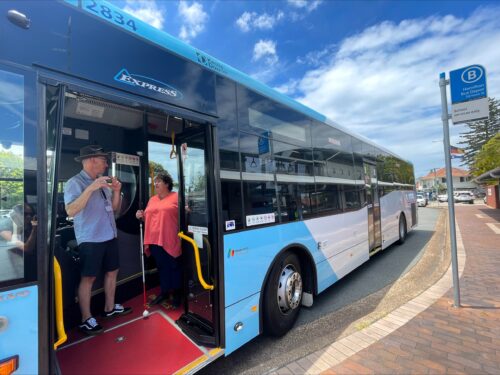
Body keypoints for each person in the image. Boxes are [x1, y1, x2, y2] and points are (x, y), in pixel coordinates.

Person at [64, 145, 131, 335]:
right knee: (89, 278)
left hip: (110, 235)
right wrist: (91, 188)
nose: (106, 164)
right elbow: (71, 210)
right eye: (103, 160)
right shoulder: (74, 183)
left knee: (112, 271)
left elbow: (115, 209)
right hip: (91, 238)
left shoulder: (104, 183)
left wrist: (117, 191)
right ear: (93, 160)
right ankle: (86, 318)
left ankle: (109, 309)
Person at [136, 171, 182, 307]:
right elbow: (148, 217)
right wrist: (140, 215)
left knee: (174, 266)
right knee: (162, 267)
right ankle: (164, 292)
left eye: (158, 181)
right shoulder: (152, 199)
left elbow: (185, 213)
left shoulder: (176, 197)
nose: (155, 183)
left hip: (170, 237)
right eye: (155, 181)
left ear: (167, 184)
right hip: (154, 239)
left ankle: (177, 294)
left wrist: (186, 210)